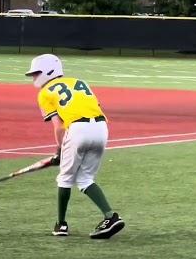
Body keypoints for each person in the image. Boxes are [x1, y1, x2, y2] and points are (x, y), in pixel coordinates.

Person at [24, 54, 125, 239]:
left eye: (36, 73)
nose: (34, 77)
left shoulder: (45, 93)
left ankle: (61, 224)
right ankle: (111, 217)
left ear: (48, 71)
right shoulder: (81, 82)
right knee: (85, 178)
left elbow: (59, 127)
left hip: (78, 129)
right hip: (102, 128)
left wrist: (60, 151)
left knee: (65, 178)